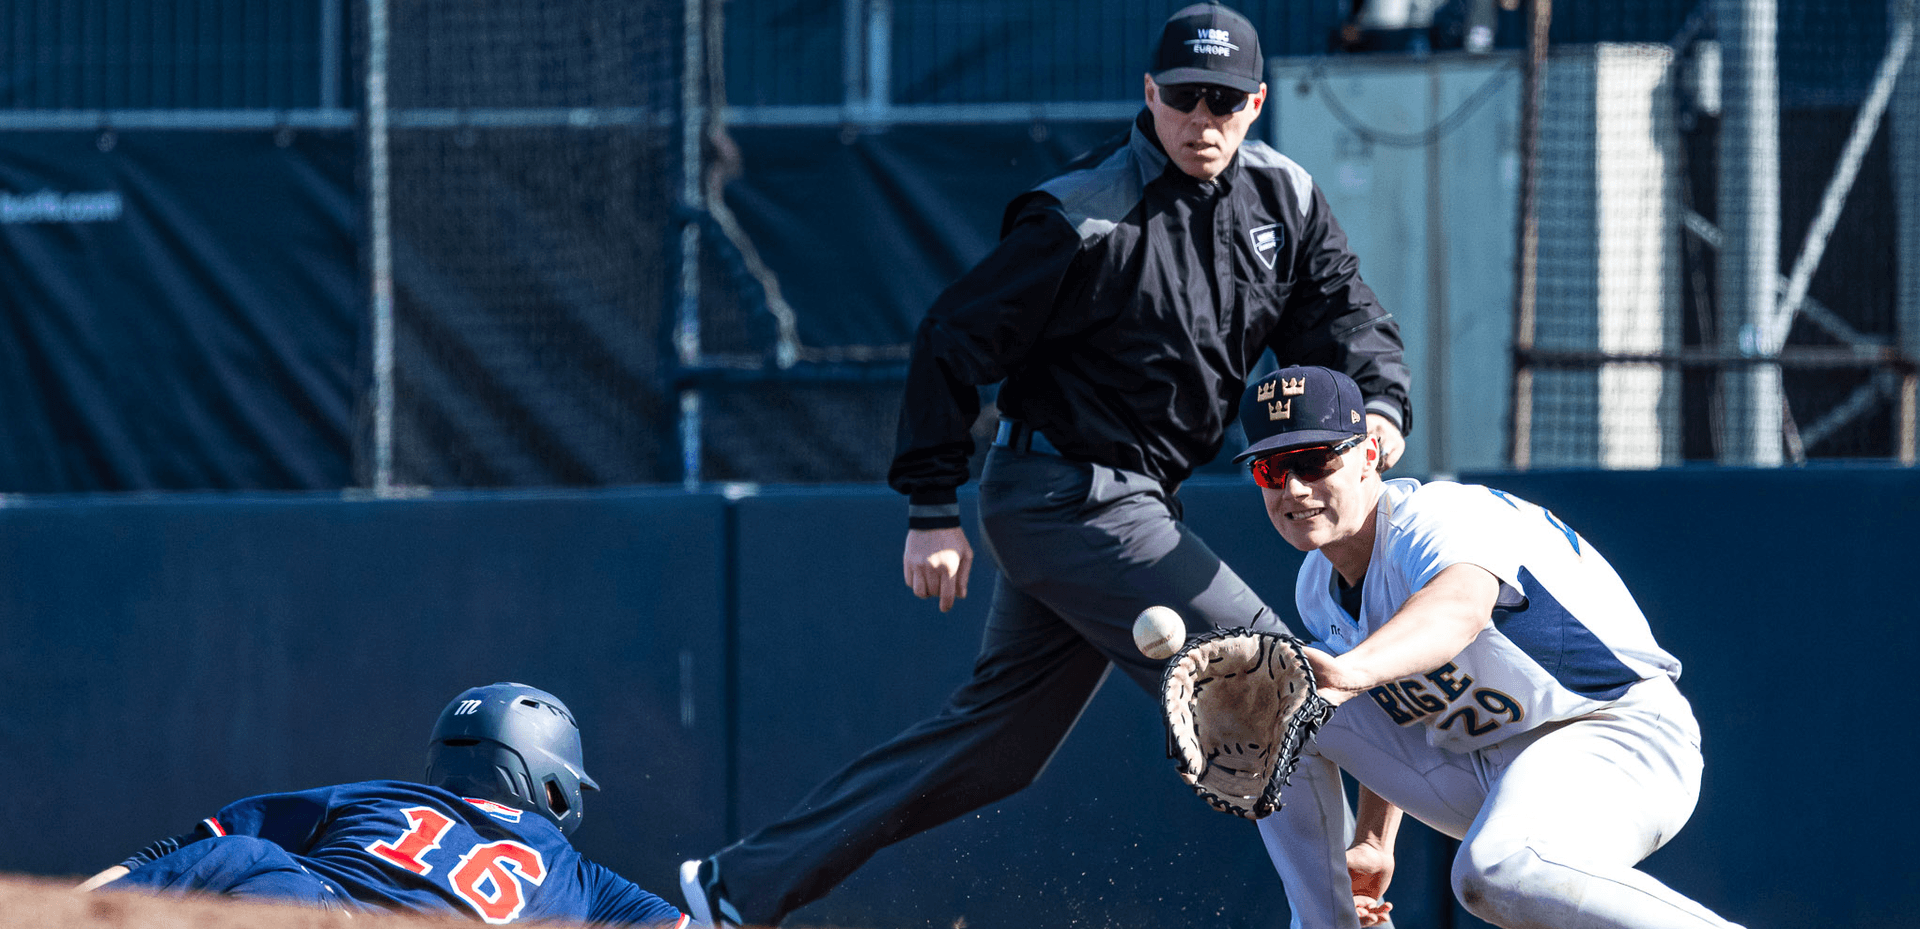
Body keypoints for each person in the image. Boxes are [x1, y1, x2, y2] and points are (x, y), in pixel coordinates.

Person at [680, 4, 1413, 927]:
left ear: (1256, 101)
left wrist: (1379, 409)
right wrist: (930, 507)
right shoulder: (1084, 214)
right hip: (1063, 497)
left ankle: (733, 888)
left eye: (1223, 100)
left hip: (1132, 502)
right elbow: (951, 335)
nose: (1203, 119)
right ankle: (1340, 916)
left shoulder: (1284, 202)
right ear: (1148, 95)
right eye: (1184, 97)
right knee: (1278, 691)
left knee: (995, 747)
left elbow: (1346, 321)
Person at [1229, 365, 1745, 929]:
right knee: (1273, 699)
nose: (1294, 488)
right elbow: (1399, 695)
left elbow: (1459, 608)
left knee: (1496, 869)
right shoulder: (1316, 586)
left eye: (1315, 461)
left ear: (1370, 454)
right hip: (1485, 763)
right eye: (1272, 469)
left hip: (1616, 737)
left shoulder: (1436, 517)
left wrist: (1350, 672)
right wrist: (1375, 840)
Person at [79, 682, 688, 928]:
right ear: (549, 777)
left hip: (306, 906)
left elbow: (195, 845)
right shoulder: (581, 877)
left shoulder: (383, 795)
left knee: (238, 853)